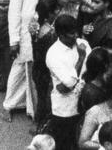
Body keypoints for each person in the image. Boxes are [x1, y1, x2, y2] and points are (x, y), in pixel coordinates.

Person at [4, 0, 56, 121]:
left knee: (39, 71)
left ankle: (35, 109)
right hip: (26, 35)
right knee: (21, 68)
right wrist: (14, 40)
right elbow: (14, 13)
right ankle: (10, 105)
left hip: (45, 34)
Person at [45, 12, 86, 150]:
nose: (76, 36)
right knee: (65, 144)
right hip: (65, 109)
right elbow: (69, 83)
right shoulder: (53, 54)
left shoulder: (81, 43)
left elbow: (92, 66)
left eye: (76, 32)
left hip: (83, 102)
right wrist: (81, 59)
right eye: (72, 34)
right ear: (61, 35)